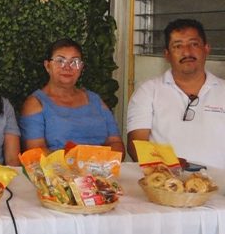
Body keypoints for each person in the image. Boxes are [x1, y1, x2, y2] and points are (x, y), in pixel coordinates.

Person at [127, 19, 225, 168]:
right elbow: (137, 146)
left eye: (194, 44)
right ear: (167, 54)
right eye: (177, 46)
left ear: (206, 49)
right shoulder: (148, 91)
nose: (187, 52)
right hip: (167, 185)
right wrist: (169, 170)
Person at [19, 38, 125, 155]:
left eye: (74, 62)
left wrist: (97, 163)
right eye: (60, 61)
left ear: (81, 67)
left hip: (100, 169)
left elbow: (116, 143)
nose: (67, 67)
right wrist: (79, 162)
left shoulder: (95, 100)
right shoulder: (36, 103)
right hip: (57, 171)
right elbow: (35, 152)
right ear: (47, 66)